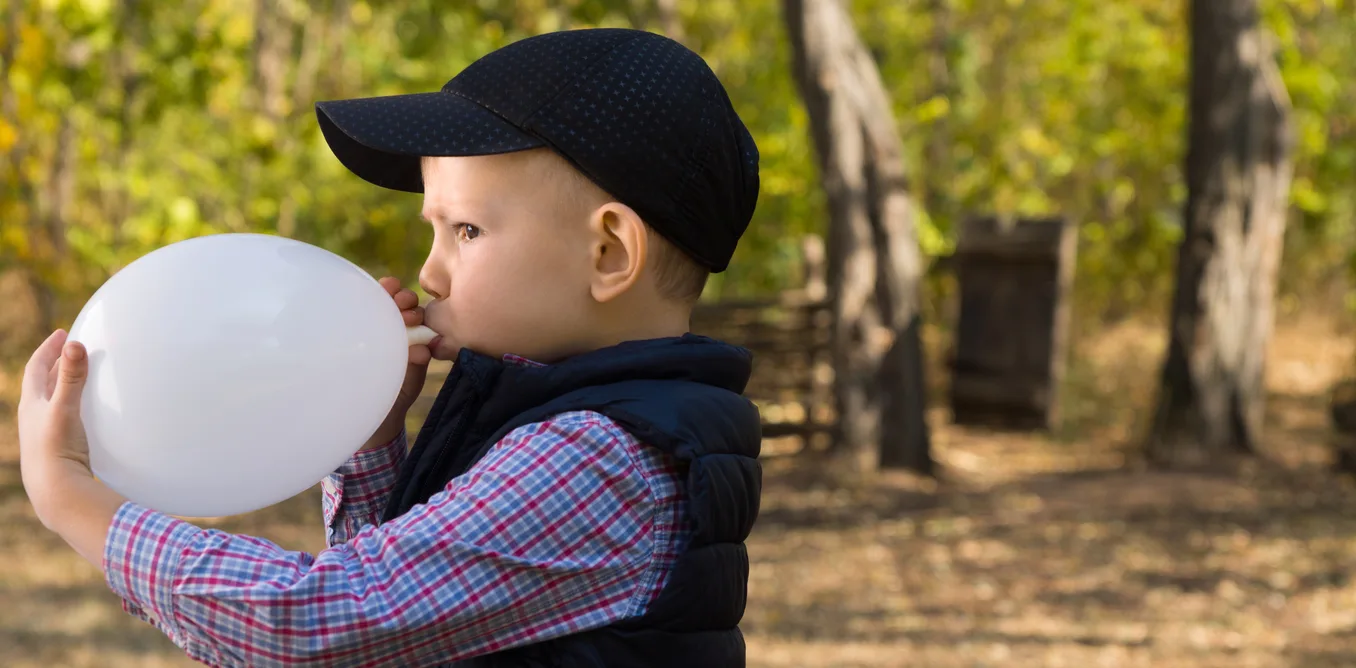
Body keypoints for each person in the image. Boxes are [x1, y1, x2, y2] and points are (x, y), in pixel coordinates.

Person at [17, 28, 762, 667]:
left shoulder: (597, 456)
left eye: (465, 231)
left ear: (607, 253)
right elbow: (402, 614)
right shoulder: (550, 415)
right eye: (432, 229)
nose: (430, 270)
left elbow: (320, 625)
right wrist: (375, 437)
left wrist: (74, 502)